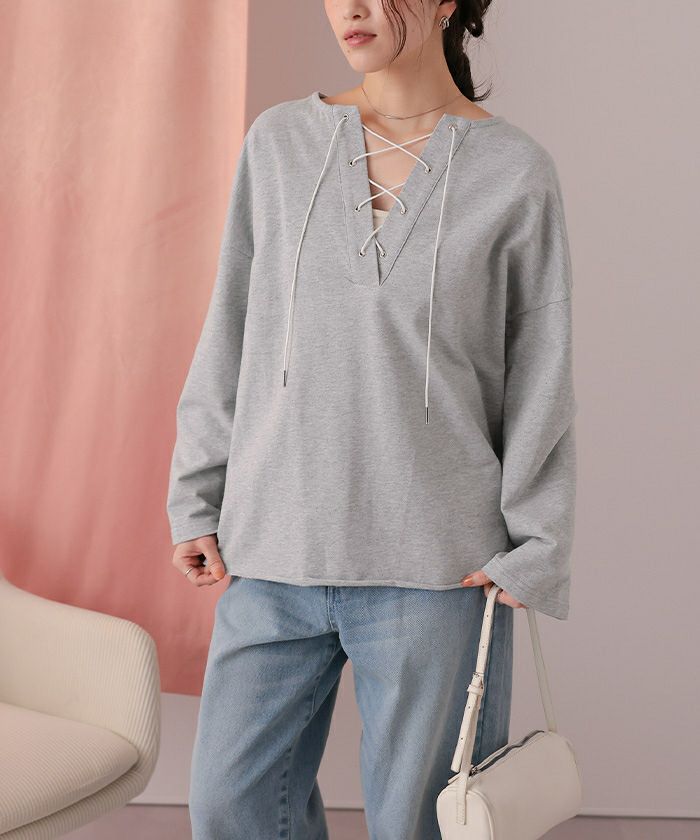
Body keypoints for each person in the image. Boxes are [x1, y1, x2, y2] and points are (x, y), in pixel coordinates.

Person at [166, 1, 578, 837]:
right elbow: (231, 325)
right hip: (274, 543)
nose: (349, 6)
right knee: (231, 806)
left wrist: (537, 543)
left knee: (416, 824)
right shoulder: (280, 142)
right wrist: (197, 493)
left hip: (436, 564)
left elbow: (541, 369)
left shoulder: (514, 171)